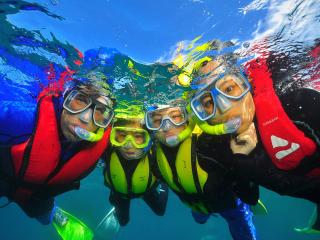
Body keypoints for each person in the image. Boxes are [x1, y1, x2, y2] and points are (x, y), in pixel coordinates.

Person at [188, 54, 320, 233]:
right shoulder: (213, 148)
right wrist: (244, 162)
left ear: (246, 84)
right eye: (209, 102)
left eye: (229, 89)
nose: (224, 106)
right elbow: (250, 197)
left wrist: (259, 169)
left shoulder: (300, 105)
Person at [0, 78, 115, 239]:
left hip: (39, 195)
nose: (86, 118)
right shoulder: (19, 120)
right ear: (64, 98)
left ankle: (52, 214)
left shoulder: (106, 143)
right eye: (80, 100)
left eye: (100, 110)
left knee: (44, 214)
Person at [145, 99, 259, 240]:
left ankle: (246, 210)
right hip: (195, 205)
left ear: (187, 117)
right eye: (157, 121)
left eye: (175, 117)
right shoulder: (153, 152)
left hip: (230, 206)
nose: (167, 127)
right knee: (199, 219)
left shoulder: (208, 143)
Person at [96, 112, 168, 240]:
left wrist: (164, 182)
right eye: (122, 135)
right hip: (120, 193)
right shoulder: (108, 150)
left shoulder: (154, 154)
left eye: (138, 136)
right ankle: (114, 210)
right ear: (114, 136)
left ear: (148, 138)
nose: (129, 145)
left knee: (160, 211)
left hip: (147, 191)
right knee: (123, 222)